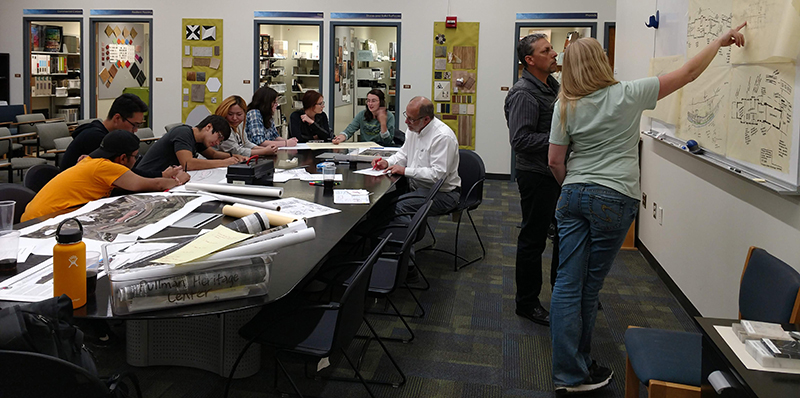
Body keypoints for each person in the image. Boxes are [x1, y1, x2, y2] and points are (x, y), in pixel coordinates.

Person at [546, 24, 746, 395]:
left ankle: (568, 373)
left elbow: (555, 161)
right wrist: (718, 42)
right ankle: (577, 370)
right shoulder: (628, 93)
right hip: (614, 197)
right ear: (601, 63)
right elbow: (686, 74)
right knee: (589, 288)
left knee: (566, 285)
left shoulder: (564, 104)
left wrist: (574, 188)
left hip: (572, 195)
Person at [504, 33, 561, 327]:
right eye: (547, 50)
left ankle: (563, 294)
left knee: (562, 235)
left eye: (551, 49)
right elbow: (521, 140)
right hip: (536, 176)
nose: (554, 54)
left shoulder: (551, 86)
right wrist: (562, 141)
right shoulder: (524, 93)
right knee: (533, 239)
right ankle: (526, 303)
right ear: (530, 60)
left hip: (554, 173)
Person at [21, 130, 191, 222]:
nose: (136, 161)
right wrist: (178, 179)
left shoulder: (90, 161)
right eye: (135, 157)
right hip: (43, 220)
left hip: (35, 215)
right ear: (122, 158)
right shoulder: (106, 167)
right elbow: (150, 185)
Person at [372, 96, 460, 219]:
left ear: (426, 119)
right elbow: (403, 155)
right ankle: (370, 236)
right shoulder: (413, 129)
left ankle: (397, 237)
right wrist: (387, 162)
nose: (406, 122)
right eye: (406, 116)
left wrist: (404, 171)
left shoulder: (442, 137)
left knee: (398, 208)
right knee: (378, 201)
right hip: (416, 188)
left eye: (411, 119)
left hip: (442, 193)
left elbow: (438, 175)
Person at [134, 115, 247, 178]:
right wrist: (225, 163)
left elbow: (213, 154)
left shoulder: (198, 139)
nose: (217, 143)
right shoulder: (184, 133)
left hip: (165, 178)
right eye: (219, 137)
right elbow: (188, 164)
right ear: (208, 127)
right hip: (148, 178)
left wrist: (234, 156)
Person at [60, 93, 148, 170]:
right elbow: (121, 173)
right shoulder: (96, 138)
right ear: (117, 118)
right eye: (134, 125)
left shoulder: (107, 135)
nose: (136, 130)